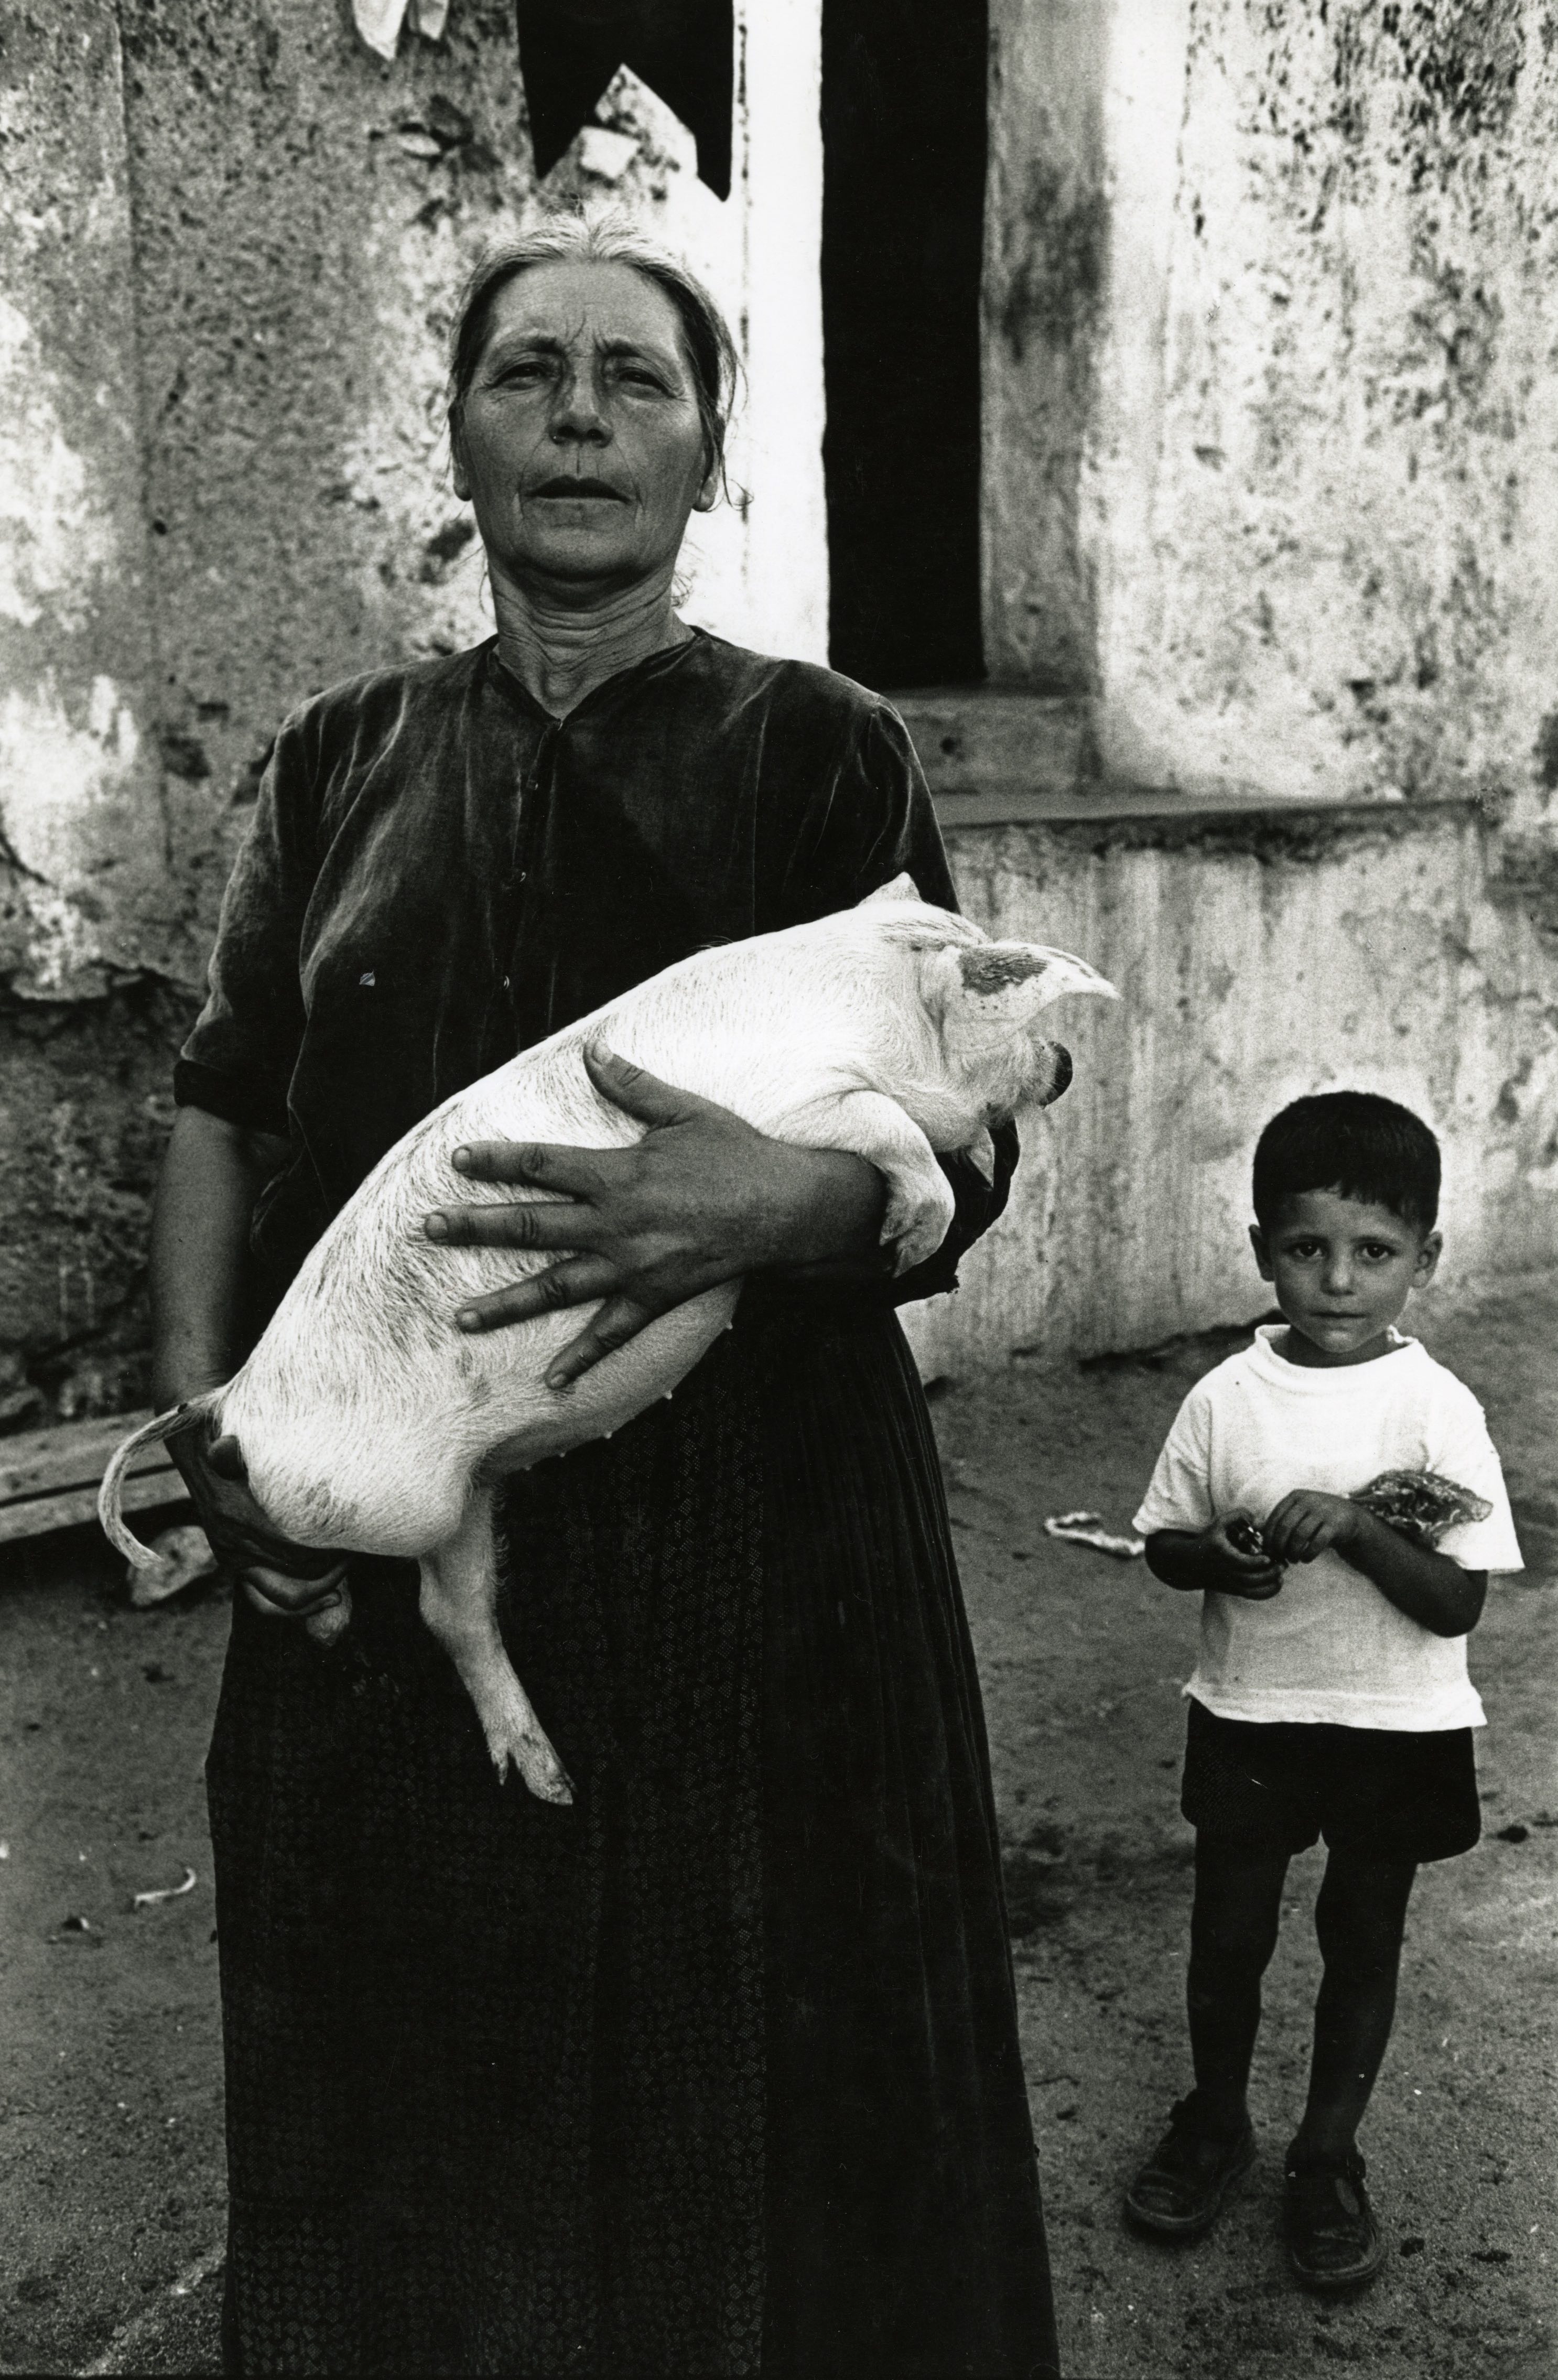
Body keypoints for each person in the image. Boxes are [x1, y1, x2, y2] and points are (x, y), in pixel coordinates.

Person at [152, 212, 1061, 2377]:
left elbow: (972, 1135)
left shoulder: (821, 751)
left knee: (740, 2073)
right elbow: (224, 1101)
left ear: (708, 455)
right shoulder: (334, 757)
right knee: (405, 2083)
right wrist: (208, 1432)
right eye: (526, 372)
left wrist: (767, 1210)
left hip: (754, 1535)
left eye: (632, 380)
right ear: (452, 433)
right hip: (382, 1508)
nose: (576, 416)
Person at [1123, 1091, 1522, 2290]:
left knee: (1362, 1933)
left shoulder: (1435, 1407)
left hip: (1392, 1722)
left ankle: (1327, 2152)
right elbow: (1162, 1542)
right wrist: (1219, 1557)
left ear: (1424, 1258)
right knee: (1228, 1932)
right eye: (1306, 1248)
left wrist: (1353, 1525)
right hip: (1252, 1705)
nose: (1338, 1281)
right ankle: (1215, 2119)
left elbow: (1457, 1603)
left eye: (1374, 1252)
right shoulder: (1225, 1396)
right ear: (1260, 1252)